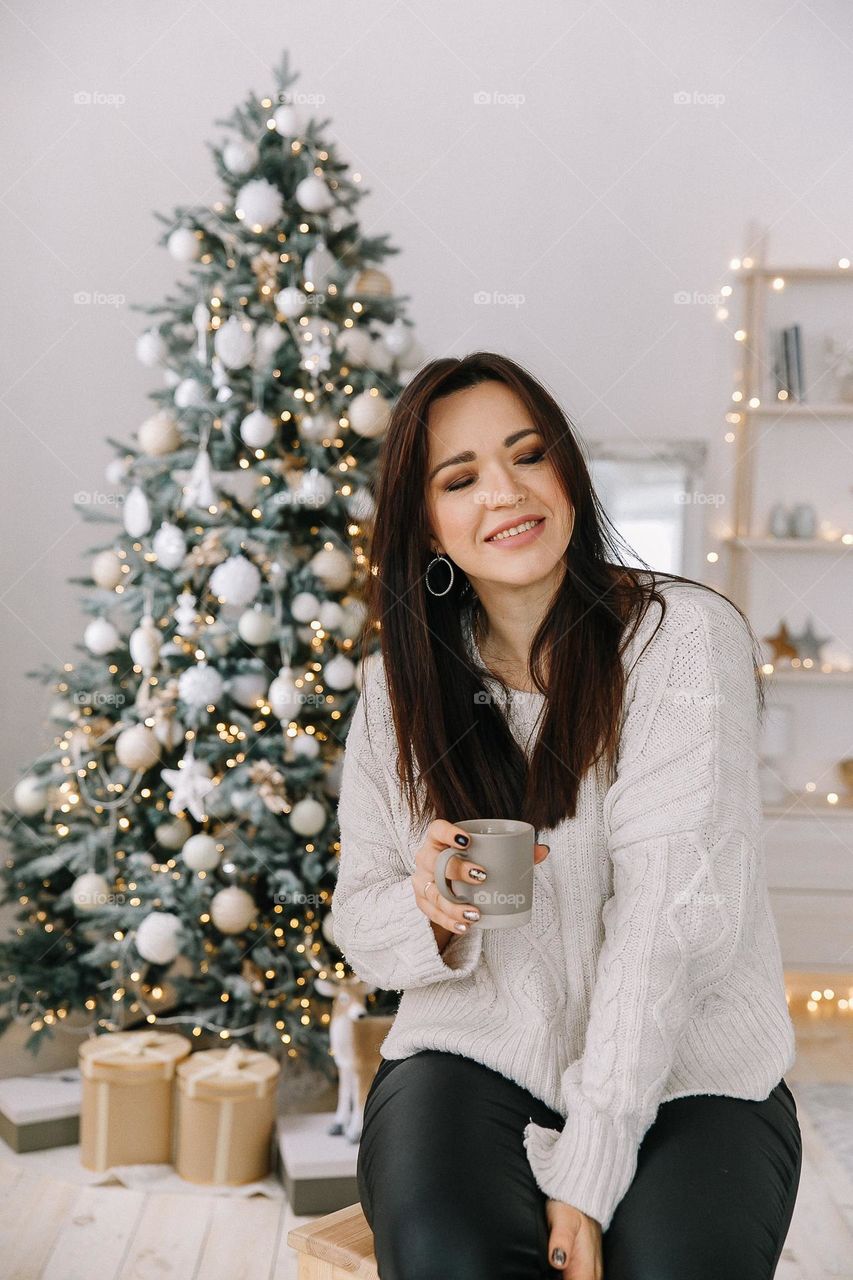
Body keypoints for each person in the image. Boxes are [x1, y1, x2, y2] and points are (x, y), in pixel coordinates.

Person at [330, 352, 802, 1279]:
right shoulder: (398, 690)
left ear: (567, 476)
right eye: (459, 478)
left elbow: (666, 935)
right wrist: (430, 904)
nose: (503, 492)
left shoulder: (681, 644)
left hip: (690, 1072)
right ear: (428, 528)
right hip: (474, 1055)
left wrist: (587, 1171)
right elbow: (358, 921)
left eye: (527, 455)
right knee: (447, 1257)